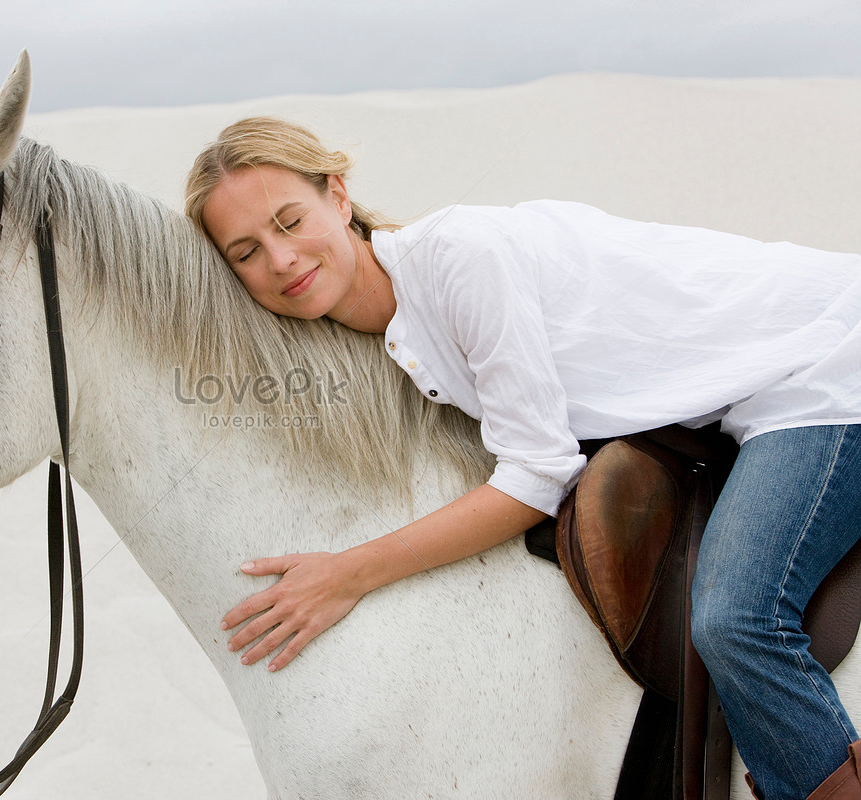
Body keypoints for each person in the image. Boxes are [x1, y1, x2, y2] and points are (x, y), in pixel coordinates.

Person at [183, 116, 861, 800]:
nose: (281, 259)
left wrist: (348, 573)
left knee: (738, 619)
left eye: (290, 220)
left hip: (822, 364)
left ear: (337, 195)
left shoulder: (458, 258)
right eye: (246, 251)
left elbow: (537, 475)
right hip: (741, 397)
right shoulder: (400, 324)